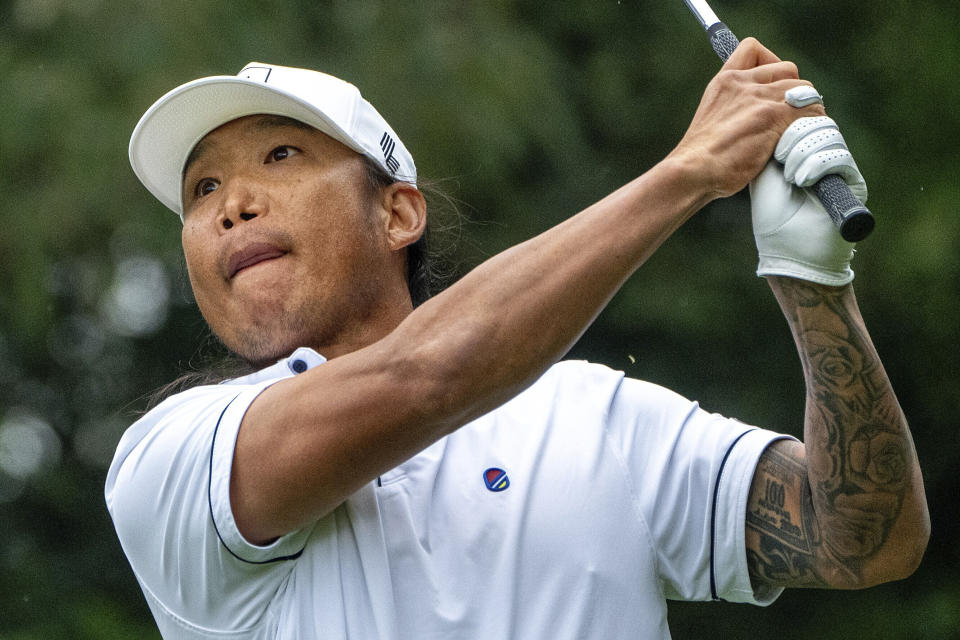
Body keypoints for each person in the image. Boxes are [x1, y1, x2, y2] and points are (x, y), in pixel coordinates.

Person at [105, 39, 928, 639]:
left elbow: (863, 539)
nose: (230, 205)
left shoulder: (595, 414)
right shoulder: (172, 458)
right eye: (202, 187)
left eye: (280, 155)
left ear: (397, 213)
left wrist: (813, 285)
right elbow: (427, 376)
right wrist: (689, 172)